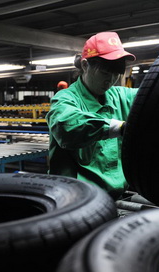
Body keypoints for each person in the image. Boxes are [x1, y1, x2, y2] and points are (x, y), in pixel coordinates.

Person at [46, 32, 137, 200]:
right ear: (86, 65)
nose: (110, 80)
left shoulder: (120, 96)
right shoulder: (65, 99)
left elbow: (154, 95)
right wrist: (120, 127)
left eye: (116, 73)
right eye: (104, 72)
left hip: (116, 198)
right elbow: (66, 127)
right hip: (74, 201)